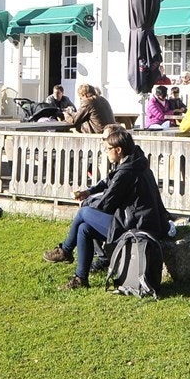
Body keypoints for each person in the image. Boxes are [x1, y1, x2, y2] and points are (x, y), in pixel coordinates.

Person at [43, 124, 168, 289]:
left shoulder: (127, 173)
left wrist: (86, 202)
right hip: (140, 221)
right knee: (84, 229)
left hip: (136, 227)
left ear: (118, 150)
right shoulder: (135, 162)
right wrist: (89, 192)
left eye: (107, 148)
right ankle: (81, 279)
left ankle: (65, 251)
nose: (105, 151)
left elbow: (106, 206)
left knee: (84, 212)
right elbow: (109, 183)